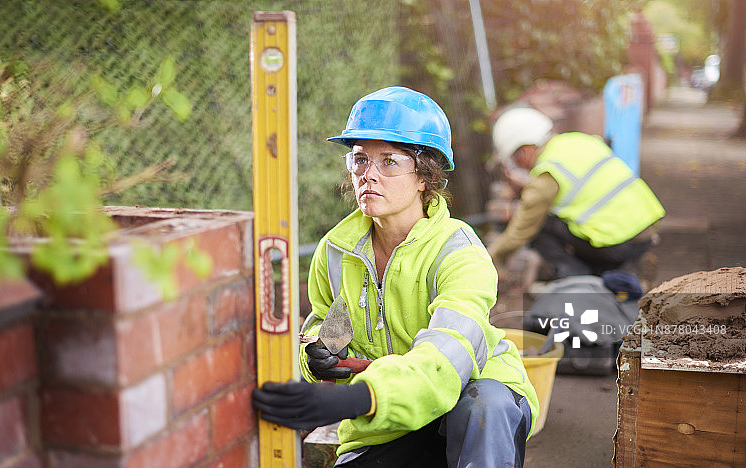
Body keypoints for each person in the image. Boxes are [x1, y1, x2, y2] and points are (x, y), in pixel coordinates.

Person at [252, 87, 539, 468]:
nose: (368, 175)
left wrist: (359, 397)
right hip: (388, 417)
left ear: (425, 175)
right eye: (359, 160)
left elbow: (448, 355)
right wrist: (318, 355)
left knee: (484, 403)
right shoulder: (336, 250)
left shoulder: (459, 251)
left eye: (389, 161)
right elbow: (325, 322)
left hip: (465, 404)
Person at [487, 106, 665, 279]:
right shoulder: (577, 141)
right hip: (644, 230)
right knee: (568, 220)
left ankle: (581, 280)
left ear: (525, 150)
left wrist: (488, 259)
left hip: (616, 241)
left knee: (540, 225)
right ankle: (616, 269)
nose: (517, 166)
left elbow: (520, 232)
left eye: (514, 160)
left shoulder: (546, 176)